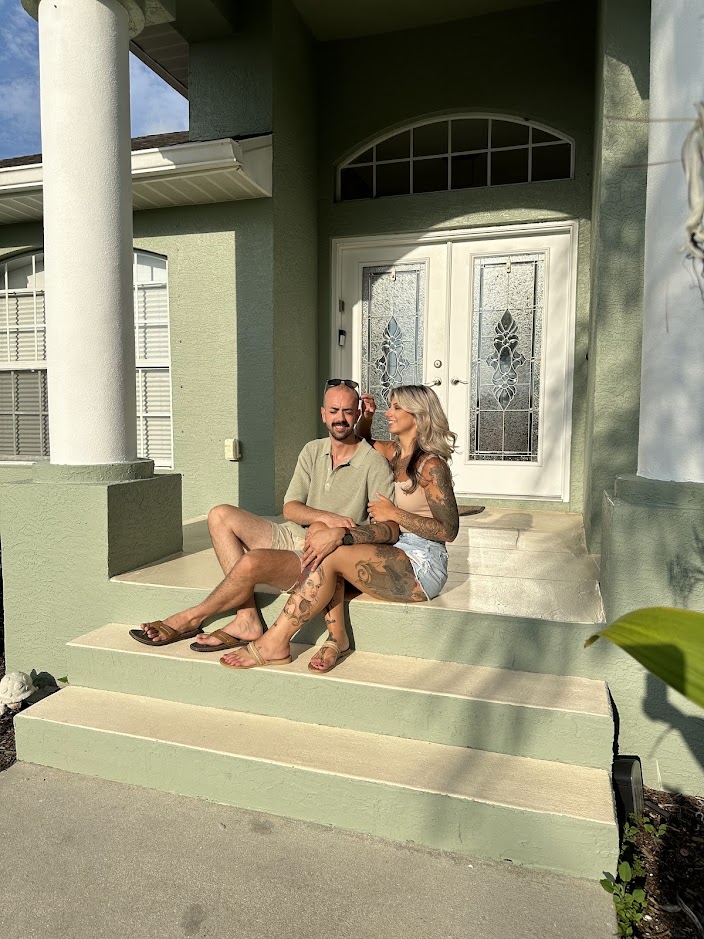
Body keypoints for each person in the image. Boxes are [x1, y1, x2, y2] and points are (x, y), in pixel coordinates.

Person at [129, 380, 396, 650]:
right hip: (292, 534)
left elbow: (385, 528)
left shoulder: (373, 462)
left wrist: (339, 531)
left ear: (358, 413)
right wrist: (326, 517)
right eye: (334, 410)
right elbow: (290, 507)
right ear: (323, 414)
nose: (340, 418)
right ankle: (247, 618)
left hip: (321, 556)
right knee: (219, 515)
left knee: (252, 562)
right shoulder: (312, 450)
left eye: (348, 411)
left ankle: (189, 618)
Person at [221, 384, 460, 672]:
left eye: (396, 407)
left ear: (418, 414)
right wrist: (365, 417)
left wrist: (394, 513)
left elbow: (449, 530)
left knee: (332, 550)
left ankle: (276, 640)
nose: (389, 412)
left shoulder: (432, 466)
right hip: (394, 548)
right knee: (331, 547)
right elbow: (361, 441)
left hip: (423, 562)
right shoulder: (394, 452)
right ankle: (337, 639)